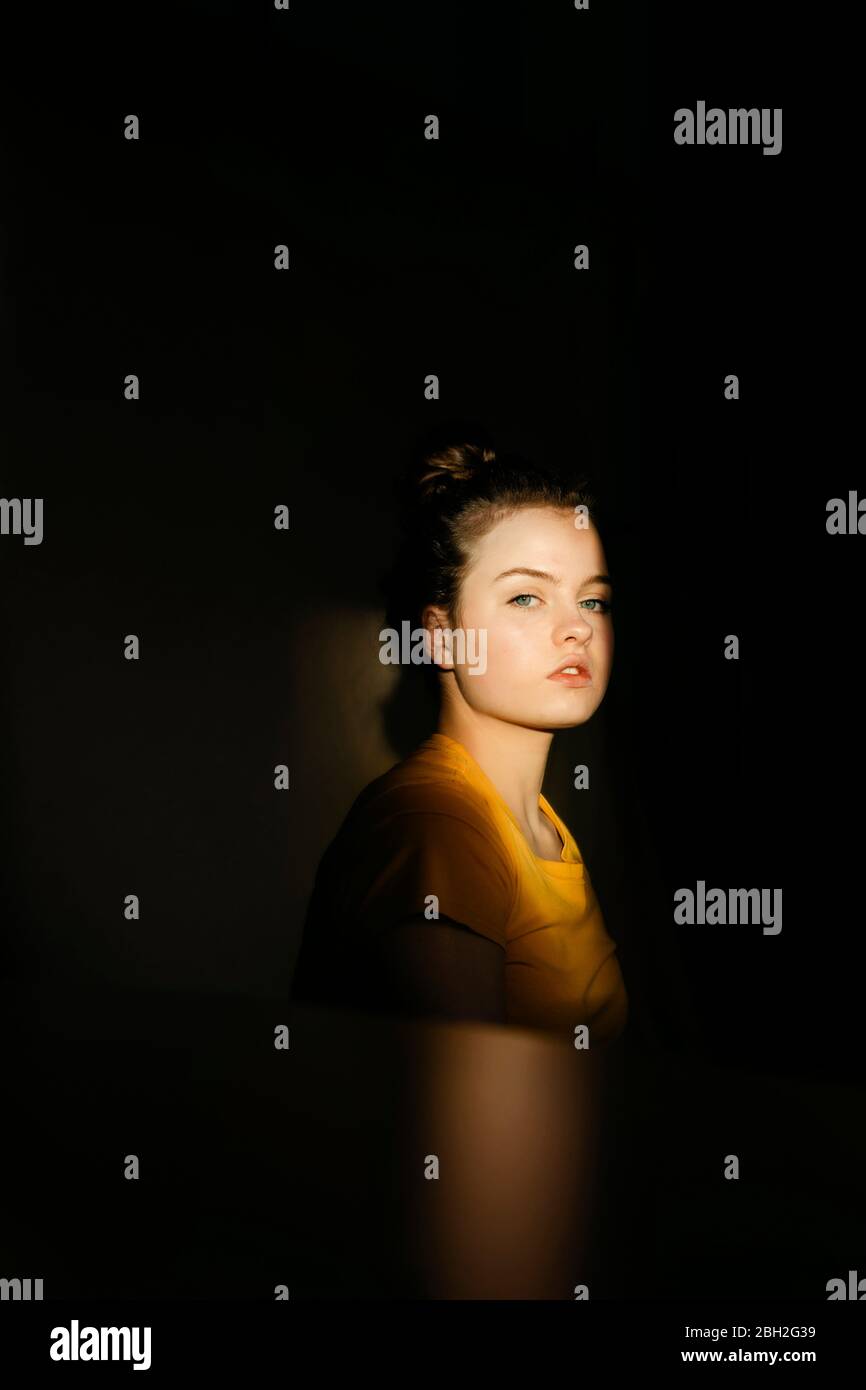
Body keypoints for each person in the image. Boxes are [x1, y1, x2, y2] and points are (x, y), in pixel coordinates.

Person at [291, 439, 628, 1045]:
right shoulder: (438, 821)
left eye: (592, 599)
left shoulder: (536, 825)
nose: (578, 625)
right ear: (442, 637)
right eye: (527, 596)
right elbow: (467, 1117)